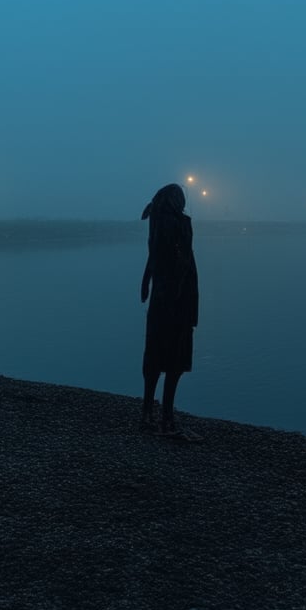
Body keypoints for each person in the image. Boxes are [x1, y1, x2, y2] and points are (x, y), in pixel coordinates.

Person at [140, 183, 200, 439]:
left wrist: (146, 282)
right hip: (176, 298)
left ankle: (148, 412)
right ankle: (166, 416)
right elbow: (181, 260)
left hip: (163, 297)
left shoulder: (156, 220)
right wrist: (178, 297)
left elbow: (153, 256)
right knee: (174, 358)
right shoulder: (177, 223)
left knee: (155, 354)